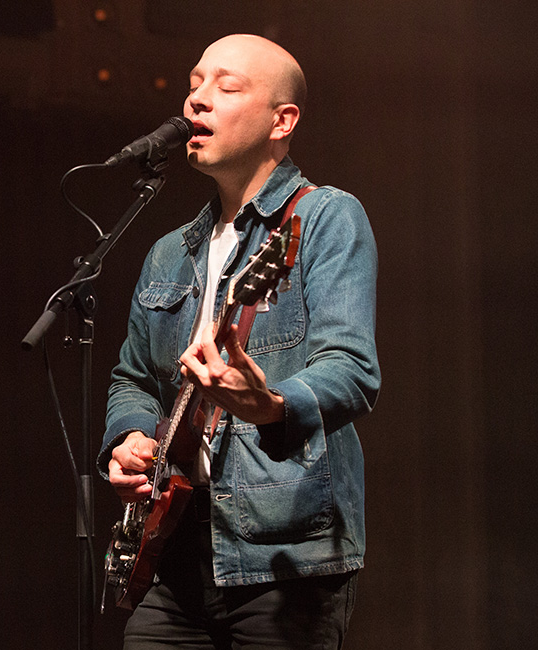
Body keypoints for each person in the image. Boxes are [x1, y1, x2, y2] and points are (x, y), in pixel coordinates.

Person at [100, 34, 380, 648]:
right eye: (194, 84)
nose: (197, 100)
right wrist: (129, 438)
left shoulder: (325, 218)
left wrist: (270, 405)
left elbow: (353, 369)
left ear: (283, 121)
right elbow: (133, 378)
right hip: (171, 548)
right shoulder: (170, 251)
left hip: (284, 554)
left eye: (226, 87)